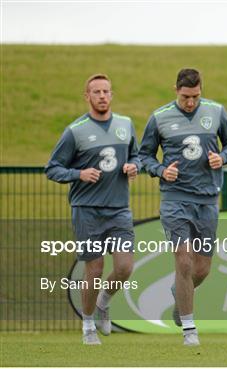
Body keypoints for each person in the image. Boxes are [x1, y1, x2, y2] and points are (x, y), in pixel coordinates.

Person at [139, 68, 227, 347]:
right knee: (183, 260)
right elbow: (144, 155)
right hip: (174, 199)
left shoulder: (216, 112)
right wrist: (160, 170)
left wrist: (223, 157)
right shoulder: (159, 117)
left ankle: (179, 295)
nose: (191, 103)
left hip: (207, 199)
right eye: (185, 97)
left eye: (195, 96)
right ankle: (190, 330)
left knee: (202, 269)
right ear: (176, 90)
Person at [45, 74, 140, 345]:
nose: (102, 96)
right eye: (96, 92)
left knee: (124, 268)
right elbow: (52, 168)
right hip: (86, 210)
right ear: (87, 96)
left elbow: (136, 156)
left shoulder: (125, 124)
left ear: (112, 94)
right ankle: (88, 325)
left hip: (119, 208)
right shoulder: (75, 130)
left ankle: (103, 302)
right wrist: (78, 174)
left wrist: (134, 166)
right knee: (94, 269)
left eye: (106, 91)